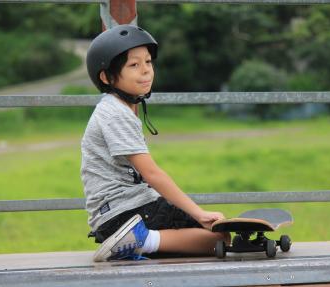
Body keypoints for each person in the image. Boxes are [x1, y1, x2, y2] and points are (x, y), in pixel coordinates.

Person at [81, 24, 230, 261]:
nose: (146, 71)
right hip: (125, 215)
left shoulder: (117, 109)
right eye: (134, 65)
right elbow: (152, 173)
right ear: (107, 77)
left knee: (216, 233)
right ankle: (141, 240)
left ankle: (138, 241)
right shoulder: (115, 114)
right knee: (218, 238)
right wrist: (199, 213)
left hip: (125, 212)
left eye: (148, 62)